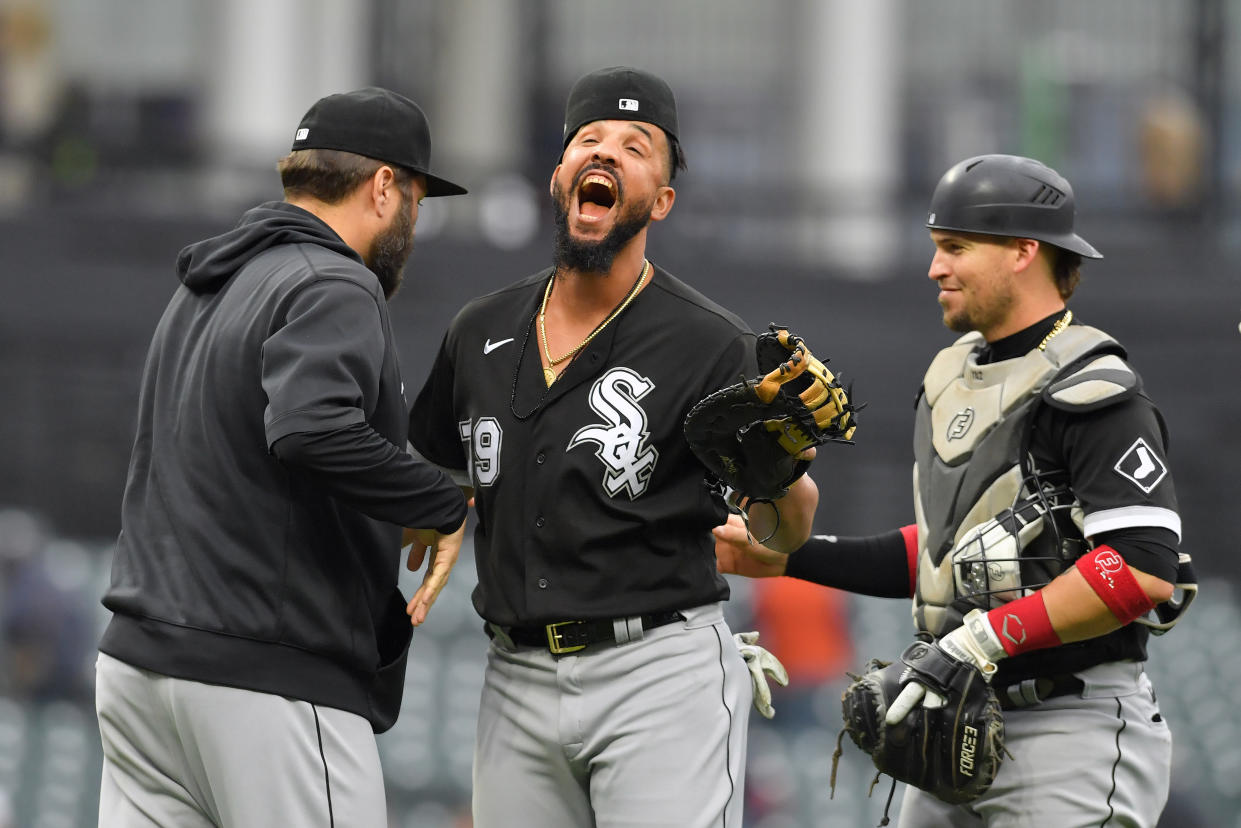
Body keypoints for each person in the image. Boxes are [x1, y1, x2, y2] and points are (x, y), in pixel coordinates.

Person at [716, 154, 1186, 827]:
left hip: (1067, 731)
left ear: (1025, 252)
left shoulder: (1094, 389)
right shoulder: (953, 378)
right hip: (954, 717)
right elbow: (947, 557)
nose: (935, 268)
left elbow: (1139, 570)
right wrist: (792, 558)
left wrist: (985, 638)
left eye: (955, 248)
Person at [406, 66, 819, 827]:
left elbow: (784, 527)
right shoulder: (478, 329)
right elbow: (435, 464)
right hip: (514, 674)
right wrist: (433, 507)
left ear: (660, 198)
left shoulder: (711, 343)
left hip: (656, 672)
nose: (605, 152)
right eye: (588, 140)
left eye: (636, 146)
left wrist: (784, 481)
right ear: (560, 176)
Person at [95, 87, 470, 828]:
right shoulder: (334, 281)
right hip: (264, 678)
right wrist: (436, 500)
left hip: (142, 670)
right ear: (384, 186)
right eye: (418, 202)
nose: (413, 225)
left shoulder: (209, 285)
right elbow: (309, 430)